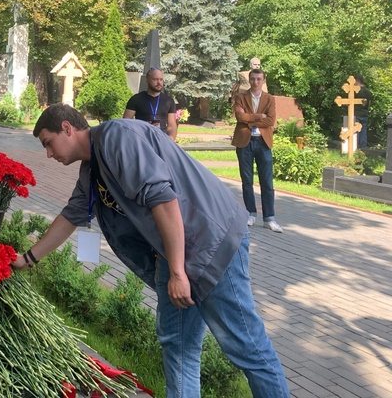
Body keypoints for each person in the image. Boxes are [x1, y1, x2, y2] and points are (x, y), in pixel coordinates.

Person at [17, 104, 289, 398]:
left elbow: (164, 200)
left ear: (67, 129)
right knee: (178, 346)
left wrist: (176, 272)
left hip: (212, 244)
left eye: (48, 143)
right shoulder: (91, 170)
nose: (48, 154)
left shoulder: (118, 138)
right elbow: (71, 215)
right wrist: (26, 259)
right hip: (174, 256)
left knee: (246, 346)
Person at [231, 69, 281, 232]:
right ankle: (250, 213)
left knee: (267, 182)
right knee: (247, 181)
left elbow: (271, 120)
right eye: (253, 79)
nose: (256, 82)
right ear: (249, 80)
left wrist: (251, 120)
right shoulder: (240, 97)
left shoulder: (269, 99)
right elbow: (240, 117)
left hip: (263, 143)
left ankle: (269, 218)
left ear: (264, 80)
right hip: (245, 142)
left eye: (259, 79)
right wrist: (260, 116)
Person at [123, 68, 177, 140]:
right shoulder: (136, 99)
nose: (159, 83)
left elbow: (172, 124)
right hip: (142, 140)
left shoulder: (168, 101)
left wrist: (171, 140)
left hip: (162, 140)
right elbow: (126, 122)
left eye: (161, 79)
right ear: (147, 80)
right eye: (155, 79)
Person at [354, 75, 372, 149]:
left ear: (358, 81)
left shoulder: (355, 91)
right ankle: (363, 148)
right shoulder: (368, 92)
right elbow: (369, 103)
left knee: (355, 131)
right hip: (364, 114)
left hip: (356, 113)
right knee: (363, 132)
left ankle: (355, 147)